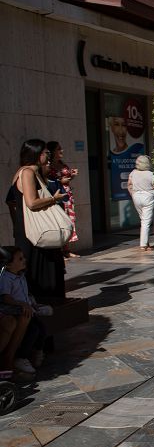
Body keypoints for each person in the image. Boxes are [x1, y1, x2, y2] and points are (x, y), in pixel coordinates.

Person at [6, 140, 66, 300]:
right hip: (32, 230)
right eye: (45, 152)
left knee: (47, 265)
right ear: (36, 154)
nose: (48, 155)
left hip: (29, 227)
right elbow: (31, 202)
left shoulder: (33, 173)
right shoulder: (27, 172)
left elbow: (12, 202)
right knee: (36, 268)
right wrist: (54, 199)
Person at [0, 246, 55, 378]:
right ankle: (18, 358)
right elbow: (5, 297)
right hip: (11, 309)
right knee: (28, 326)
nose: (24, 260)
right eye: (20, 259)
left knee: (39, 327)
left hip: (24, 309)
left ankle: (18, 357)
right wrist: (22, 304)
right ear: (8, 264)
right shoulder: (5, 277)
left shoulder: (21, 276)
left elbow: (25, 294)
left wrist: (32, 304)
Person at [45, 141, 79, 257]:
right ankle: (58, 251)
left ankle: (66, 249)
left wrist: (72, 176)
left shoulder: (61, 163)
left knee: (68, 221)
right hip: (56, 195)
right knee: (59, 222)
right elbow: (47, 181)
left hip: (67, 195)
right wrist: (61, 181)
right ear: (53, 151)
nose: (62, 151)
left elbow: (67, 178)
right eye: (59, 149)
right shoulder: (48, 165)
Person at [127, 155, 154, 252]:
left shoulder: (133, 173)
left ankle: (146, 243)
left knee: (143, 220)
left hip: (136, 196)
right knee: (146, 222)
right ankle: (143, 245)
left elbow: (129, 185)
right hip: (147, 197)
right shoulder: (151, 175)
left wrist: (133, 194)